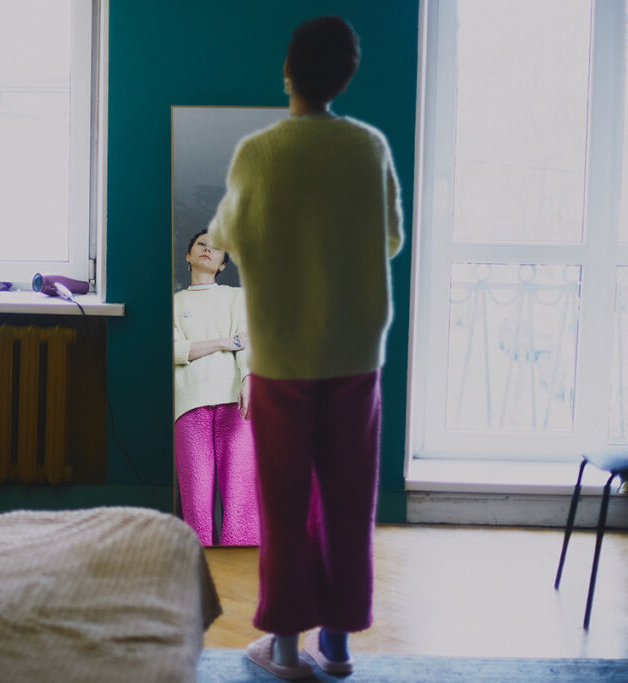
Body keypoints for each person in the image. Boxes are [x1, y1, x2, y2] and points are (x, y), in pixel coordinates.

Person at [207, 16, 403, 679]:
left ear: (288, 70)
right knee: (349, 498)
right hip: (354, 352)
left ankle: (287, 649)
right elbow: (391, 238)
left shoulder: (259, 153)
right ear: (346, 77)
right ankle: (339, 645)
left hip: (282, 355)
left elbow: (226, 235)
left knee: (284, 503)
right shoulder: (369, 147)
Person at [173, 229, 259, 546]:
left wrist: (248, 378)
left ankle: (239, 568)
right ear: (188, 256)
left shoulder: (237, 297)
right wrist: (225, 342)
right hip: (189, 403)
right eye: (201, 244)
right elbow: (174, 351)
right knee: (195, 499)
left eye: (216, 248)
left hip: (235, 400)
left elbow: (248, 344)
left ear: (223, 264)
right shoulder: (175, 302)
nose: (207, 249)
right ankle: (198, 566)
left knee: (241, 498)